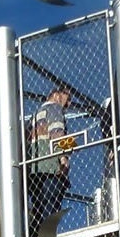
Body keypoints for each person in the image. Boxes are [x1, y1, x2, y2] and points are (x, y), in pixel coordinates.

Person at [27, 86, 73, 228]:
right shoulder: (55, 108)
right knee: (51, 206)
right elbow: (57, 132)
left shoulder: (34, 116)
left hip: (34, 170)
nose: (69, 104)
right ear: (57, 95)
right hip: (51, 167)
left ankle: (36, 236)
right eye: (68, 98)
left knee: (38, 207)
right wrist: (64, 158)